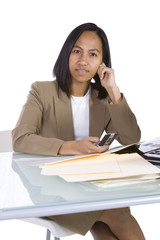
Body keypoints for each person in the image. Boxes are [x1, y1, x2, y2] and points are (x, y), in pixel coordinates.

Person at [12, 23, 145, 240]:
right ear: (66, 55)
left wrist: (113, 90)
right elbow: (20, 139)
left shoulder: (103, 99)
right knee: (117, 213)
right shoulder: (41, 91)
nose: (83, 60)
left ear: (102, 63)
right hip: (50, 190)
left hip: (90, 184)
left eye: (92, 54)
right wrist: (70, 147)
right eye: (77, 51)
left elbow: (131, 138)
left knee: (109, 220)